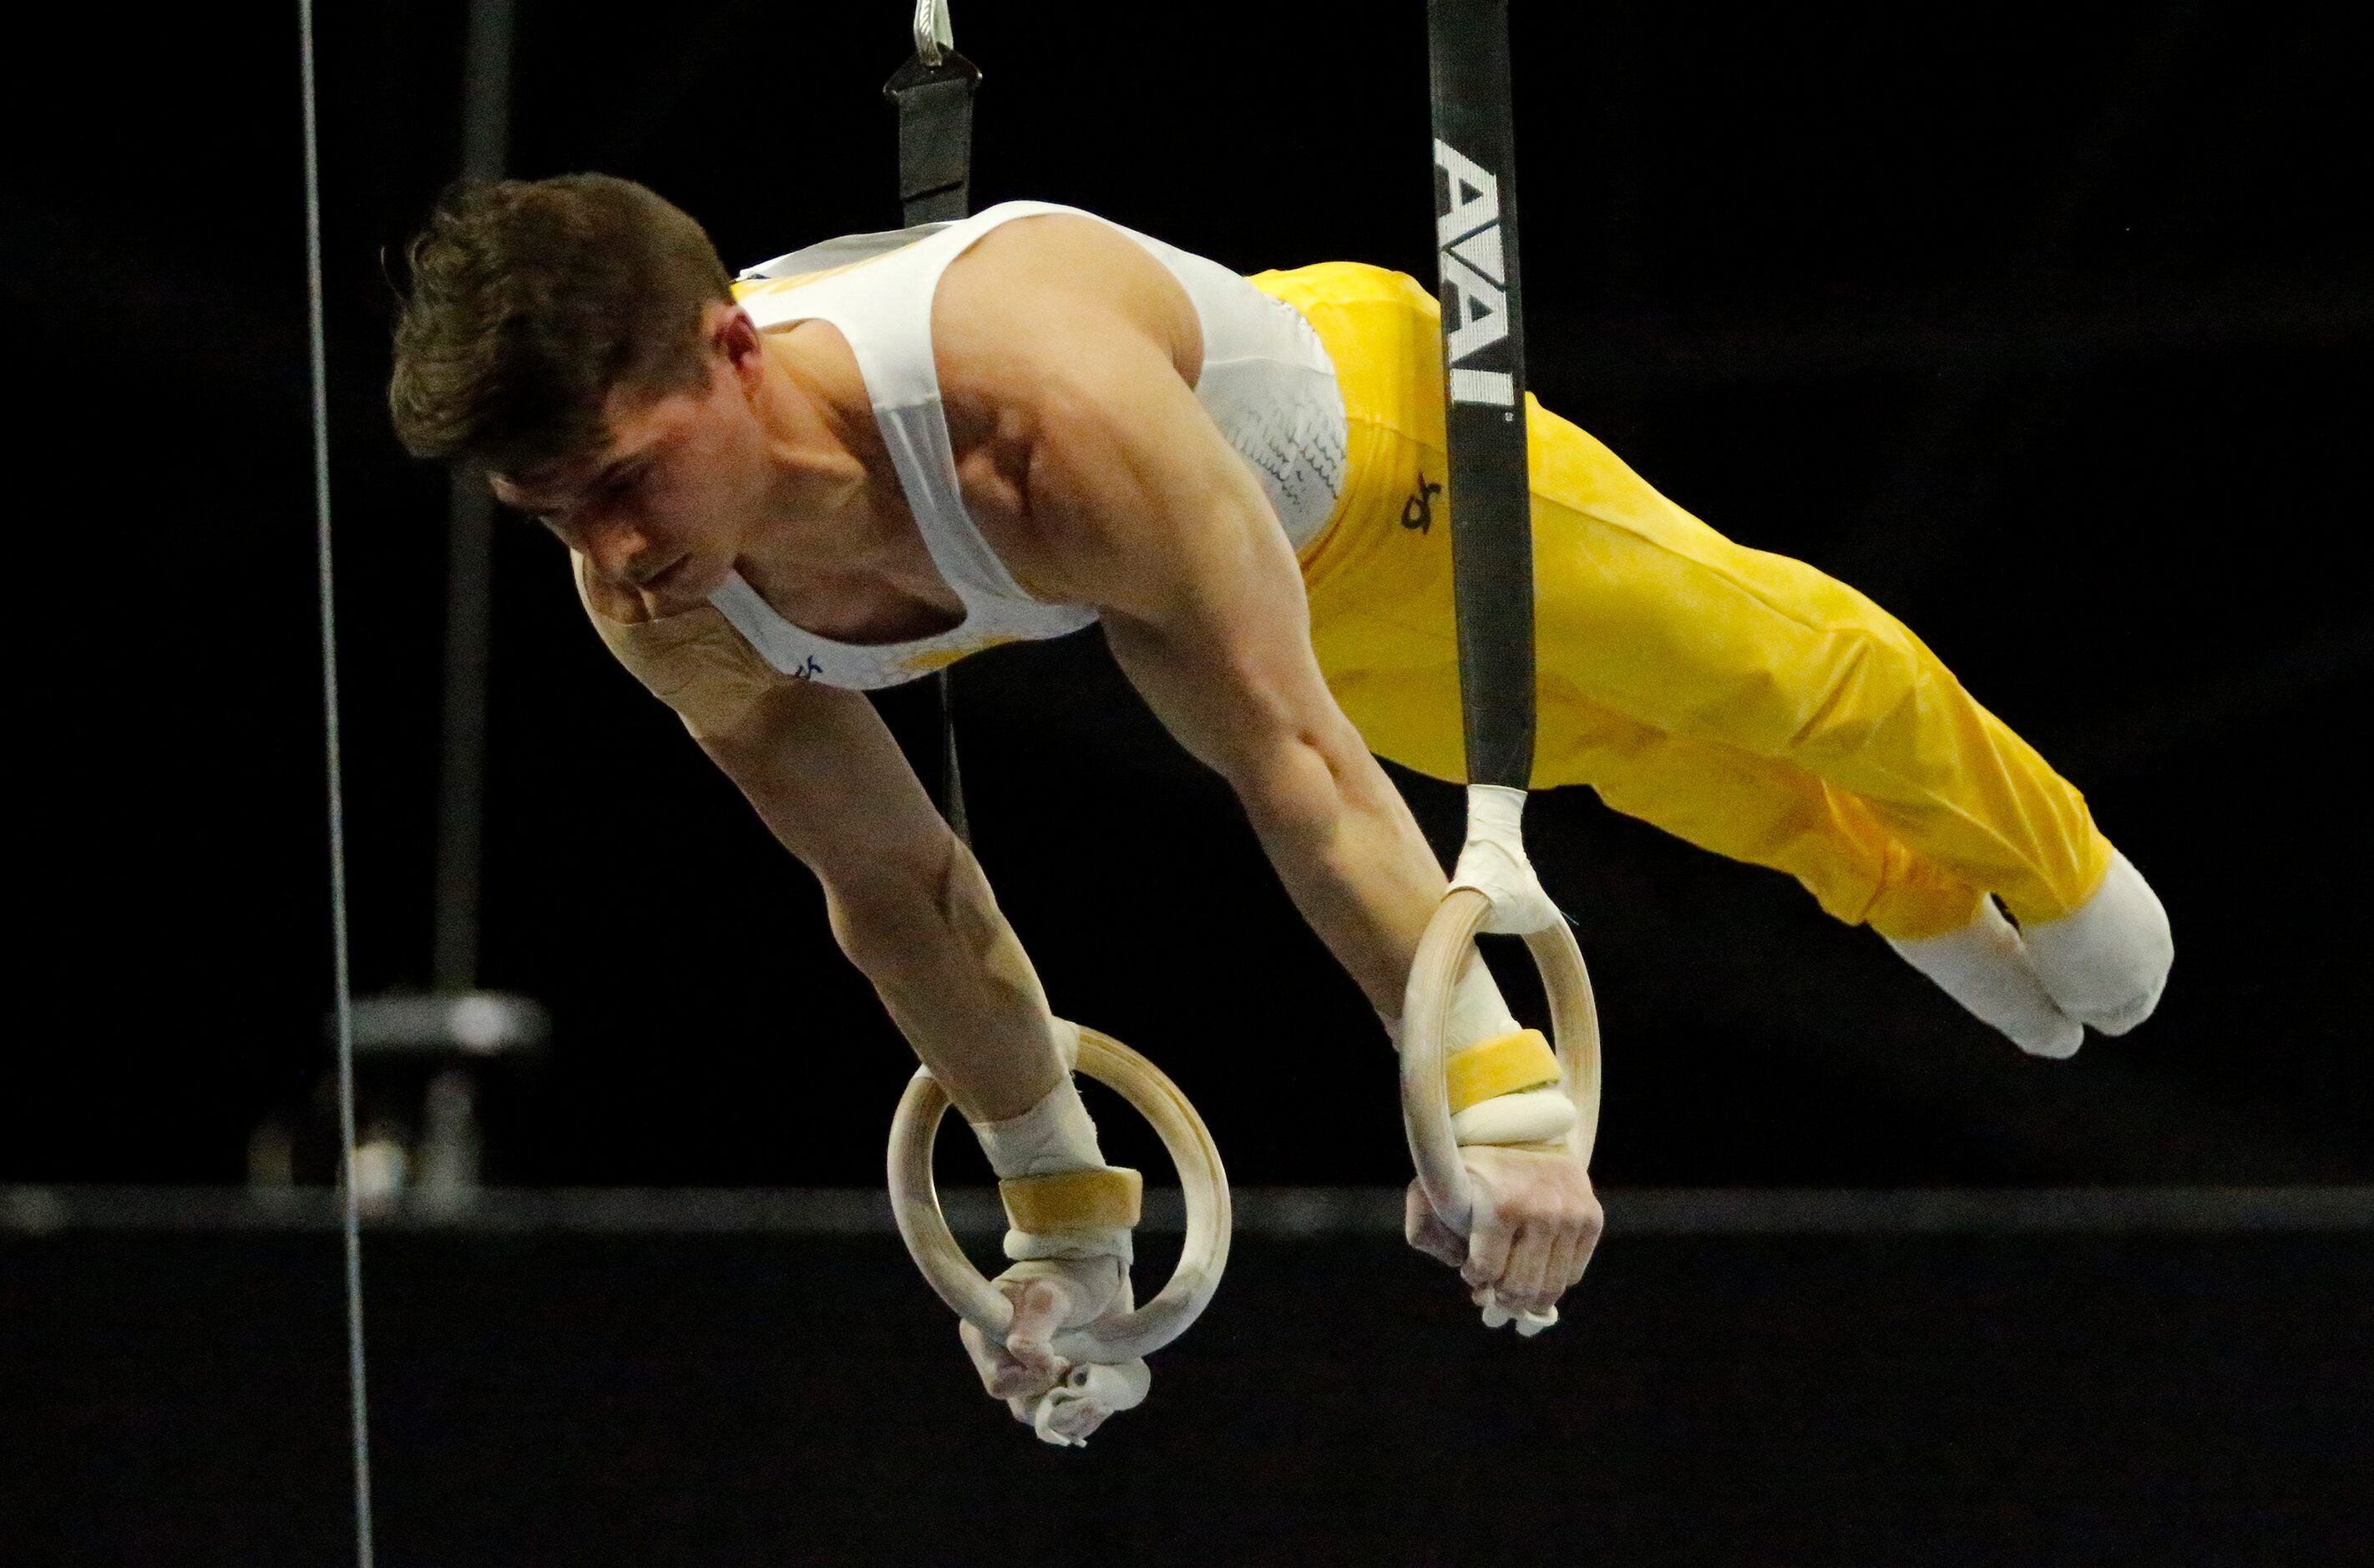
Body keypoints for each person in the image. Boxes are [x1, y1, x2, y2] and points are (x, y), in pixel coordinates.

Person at [387, 174, 2173, 1442]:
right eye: (552, 513)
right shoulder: (658, 600)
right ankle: (1907, 899)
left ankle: (2048, 858)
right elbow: (900, 895)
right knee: (1629, 760)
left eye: (624, 478)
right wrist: (1056, 1217)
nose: (616, 549)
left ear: (732, 349)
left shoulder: (1035, 415)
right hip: (1249, 610)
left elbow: (1286, 761)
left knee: (1774, 680)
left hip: (1374, 461)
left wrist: (1496, 1095)